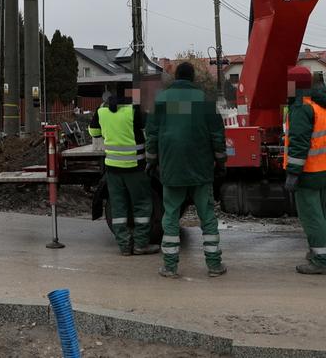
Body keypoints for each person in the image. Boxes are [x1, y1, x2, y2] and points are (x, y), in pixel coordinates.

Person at [146, 62, 227, 278]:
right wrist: (221, 163)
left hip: (172, 167)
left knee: (170, 215)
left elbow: (152, 134)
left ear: (176, 78)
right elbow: (217, 135)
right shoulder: (204, 101)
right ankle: (214, 265)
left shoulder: (161, 100)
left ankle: (170, 266)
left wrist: (151, 161)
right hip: (200, 168)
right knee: (207, 216)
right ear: (192, 78)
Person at [89, 90, 159, 256]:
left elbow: (94, 133)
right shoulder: (135, 111)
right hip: (135, 167)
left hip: (112, 168)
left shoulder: (101, 111)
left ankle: (124, 246)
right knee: (141, 205)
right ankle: (141, 244)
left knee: (119, 207)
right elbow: (150, 129)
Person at [283, 65, 326, 276]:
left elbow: (299, 143)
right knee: (322, 214)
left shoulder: (302, 108)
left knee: (311, 216)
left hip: (308, 171)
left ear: (294, 86)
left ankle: (322, 260)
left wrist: (293, 173)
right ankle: (318, 252)